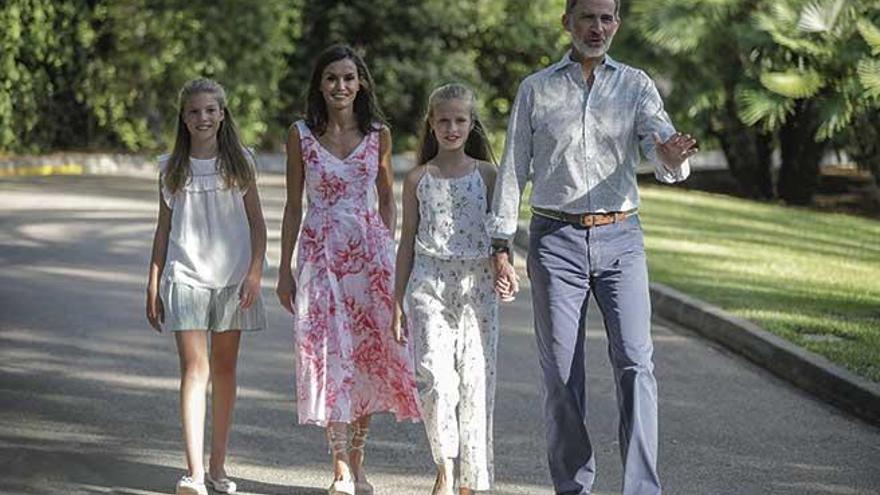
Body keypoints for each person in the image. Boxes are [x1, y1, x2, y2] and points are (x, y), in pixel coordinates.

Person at [488, 1, 699, 494]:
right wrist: (500, 242)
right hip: (554, 240)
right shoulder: (536, 89)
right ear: (567, 22)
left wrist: (670, 157)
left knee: (636, 365)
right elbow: (514, 169)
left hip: (621, 238)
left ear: (617, 26)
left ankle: (641, 489)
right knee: (561, 374)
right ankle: (573, 487)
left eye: (607, 19)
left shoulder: (637, 86)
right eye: (587, 17)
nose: (597, 28)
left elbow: (662, 146)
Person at [276, 44, 421, 495]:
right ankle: (339, 467)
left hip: (369, 259)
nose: (341, 86)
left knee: (366, 360)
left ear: (361, 84)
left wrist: (386, 247)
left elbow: (387, 198)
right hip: (320, 255)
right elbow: (293, 205)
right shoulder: (300, 134)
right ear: (320, 85)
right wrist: (284, 270)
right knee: (328, 357)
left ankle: (358, 463)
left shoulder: (379, 133)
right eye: (332, 78)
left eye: (349, 78)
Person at [146, 78, 267, 495]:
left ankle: (218, 467)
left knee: (225, 371)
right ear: (184, 117)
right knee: (194, 370)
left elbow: (258, 226)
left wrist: (254, 273)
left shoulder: (241, 163)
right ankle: (194, 473)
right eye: (194, 111)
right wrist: (154, 281)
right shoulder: (169, 167)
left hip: (233, 280)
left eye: (210, 110)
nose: (203, 118)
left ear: (223, 114)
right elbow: (163, 231)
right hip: (185, 278)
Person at [392, 83, 500, 495]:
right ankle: (446, 465)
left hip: (477, 287)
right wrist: (396, 302)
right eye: (444, 120)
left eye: (460, 120)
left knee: (475, 379)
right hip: (429, 284)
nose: (452, 127)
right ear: (431, 125)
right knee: (435, 379)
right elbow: (406, 241)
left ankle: (472, 478)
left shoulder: (488, 175)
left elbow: (501, 235)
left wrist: (506, 267)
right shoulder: (418, 178)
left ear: (471, 124)